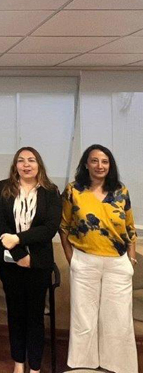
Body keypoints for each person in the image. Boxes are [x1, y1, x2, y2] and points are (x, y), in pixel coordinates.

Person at [60, 144, 138, 373]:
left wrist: (131, 260)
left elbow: (130, 228)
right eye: (94, 161)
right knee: (84, 320)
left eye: (104, 161)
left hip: (117, 263)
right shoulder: (73, 190)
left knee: (118, 320)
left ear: (110, 165)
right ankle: (83, 367)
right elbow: (64, 227)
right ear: (86, 164)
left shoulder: (121, 191)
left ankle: (117, 367)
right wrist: (70, 257)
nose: (100, 165)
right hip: (85, 261)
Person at [0, 147, 60, 373]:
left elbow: (49, 228)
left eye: (31, 160)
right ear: (15, 166)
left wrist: (19, 239)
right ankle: (18, 363)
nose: (26, 164)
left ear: (39, 164)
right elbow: (0, 223)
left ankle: (35, 367)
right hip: (11, 263)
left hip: (39, 263)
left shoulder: (51, 191)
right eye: (21, 161)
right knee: (15, 313)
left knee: (35, 316)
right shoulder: (4, 187)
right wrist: (20, 255)